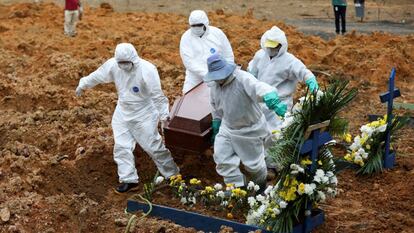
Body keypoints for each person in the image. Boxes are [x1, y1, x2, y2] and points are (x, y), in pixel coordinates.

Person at [75, 43, 180, 193]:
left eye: (126, 63)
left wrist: (164, 115)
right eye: (121, 63)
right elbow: (98, 75)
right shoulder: (113, 66)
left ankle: (173, 175)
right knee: (121, 146)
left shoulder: (147, 70)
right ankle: (128, 180)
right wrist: (83, 84)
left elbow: (157, 95)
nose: (123, 66)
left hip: (144, 112)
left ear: (134, 60)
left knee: (153, 146)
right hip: (123, 111)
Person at [206, 54, 287, 189]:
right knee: (222, 159)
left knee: (254, 166)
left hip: (249, 129)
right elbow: (215, 105)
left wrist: (270, 97)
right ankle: (239, 188)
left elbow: (258, 87)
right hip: (227, 128)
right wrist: (217, 122)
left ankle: (260, 187)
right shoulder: (215, 85)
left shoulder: (242, 78)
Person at [247, 26, 319, 132]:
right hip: (261, 102)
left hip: (280, 106)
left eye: (274, 47)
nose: (271, 50)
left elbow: (303, 72)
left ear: (281, 46)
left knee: (277, 134)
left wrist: (311, 81)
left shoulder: (289, 61)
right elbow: (251, 74)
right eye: (269, 47)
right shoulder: (260, 55)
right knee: (259, 133)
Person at [180, 10, 234, 94]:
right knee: (188, 97)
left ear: (205, 23)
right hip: (195, 77)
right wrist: (206, 74)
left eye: (199, 25)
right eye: (194, 25)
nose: (196, 27)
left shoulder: (217, 34)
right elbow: (188, 62)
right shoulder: (186, 38)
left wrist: (226, 73)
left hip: (219, 74)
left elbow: (228, 54)